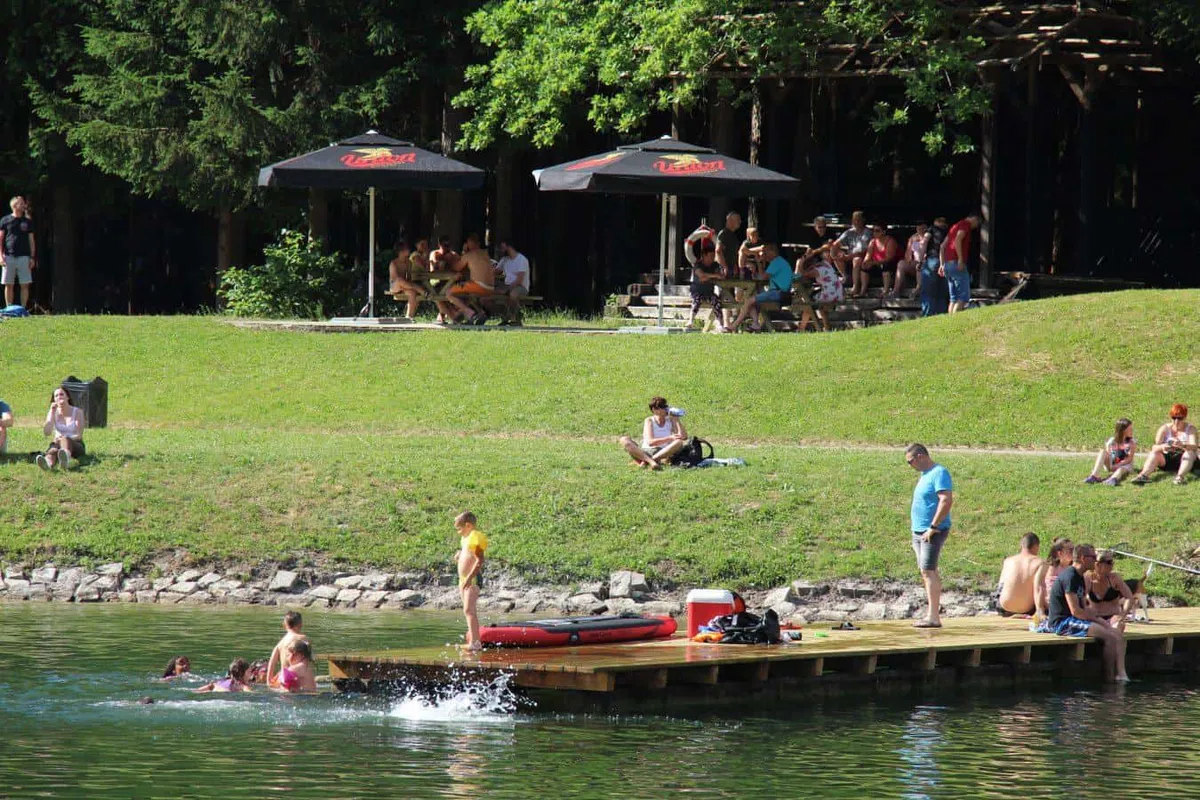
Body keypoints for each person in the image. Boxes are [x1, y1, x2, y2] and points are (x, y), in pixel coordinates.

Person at [1038, 543, 1129, 682]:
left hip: (1075, 619)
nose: (1095, 560)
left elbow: (1084, 608)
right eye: (1093, 557)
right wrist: (1101, 623)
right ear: (1082, 558)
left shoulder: (1079, 576)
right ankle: (1109, 680)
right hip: (1063, 622)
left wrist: (1103, 622)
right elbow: (1075, 611)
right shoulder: (1070, 576)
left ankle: (1119, 675)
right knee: (1109, 637)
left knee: (1115, 633)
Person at [905, 444, 953, 628]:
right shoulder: (925, 475)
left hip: (932, 531)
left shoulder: (939, 472)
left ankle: (933, 617)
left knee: (928, 571)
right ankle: (931, 614)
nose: (910, 466)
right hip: (919, 531)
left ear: (920, 456)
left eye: (910, 462)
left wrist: (933, 527)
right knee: (926, 571)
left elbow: (946, 500)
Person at [726, 242, 793, 333]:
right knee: (749, 301)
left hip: (778, 293)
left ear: (772, 252)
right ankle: (755, 324)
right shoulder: (780, 261)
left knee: (749, 300)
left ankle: (734, 325)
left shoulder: (776, 262)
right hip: (782, 293)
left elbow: (762, 277)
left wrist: (758, 262)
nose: (764, 255)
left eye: (766, 253)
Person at [1132, 403, 1197, 485]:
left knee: (1190, 453)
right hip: (1167, 459)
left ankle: (1179, 477)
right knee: (1154, 454)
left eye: (1180, 418)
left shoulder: (1191, 429)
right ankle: (1143, 475)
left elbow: (1194, 447)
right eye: (1174, 418)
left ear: (1185, 418)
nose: (1176, 421)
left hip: (1185, 459)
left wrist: (1182, 445)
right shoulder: (1164, 429)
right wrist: (1163, 447)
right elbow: (1154, 447)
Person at [619, 396, 688, 469]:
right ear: (654, 410)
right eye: (662, 407)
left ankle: (647, 462)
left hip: (663, 451)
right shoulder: (649, 420)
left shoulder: (670, 420)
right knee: (624, 439)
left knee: (679, 442)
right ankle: (651, 461)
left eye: (665, 406)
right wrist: (670, 438)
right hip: (646, 450)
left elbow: (683, 436)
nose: (665, 409)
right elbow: (650, 442)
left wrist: (677, 420)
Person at [440, 234, 494, 325]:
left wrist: (462, 253)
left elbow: (457, 267)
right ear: (479, 243)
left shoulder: (469, 255)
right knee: (468, 294)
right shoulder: (485, 253)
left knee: (449, 293)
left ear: (468, 244)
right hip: (491, 288)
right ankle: (481, 313)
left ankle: (470, 313)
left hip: (478, 286)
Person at [455, 510, 488, 652]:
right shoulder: (465, 539)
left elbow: (479, 560)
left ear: (468, 525)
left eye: (459, 528)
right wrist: (460, 555)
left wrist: (469, 578)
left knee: (469, 609)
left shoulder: (475, 537)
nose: (458, 532)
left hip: (472, 578)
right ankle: (474, 641)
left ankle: (475, 643)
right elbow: (467, 555)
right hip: (464, 579)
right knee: (467, 610)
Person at [939, 214, 980, 314]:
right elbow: (958, 239)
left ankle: (950, 324)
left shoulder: (954, 227)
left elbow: (942, 246)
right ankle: (956, 322)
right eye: (977, 223)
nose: (976, 227)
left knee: (953, 298)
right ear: (974, 219)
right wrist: (961, 259)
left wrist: (942, 264)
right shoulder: (965, 225)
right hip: (956, 264)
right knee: (963, 297)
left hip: (947, 265)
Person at [0, 196, 36, 308]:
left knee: (25, 284)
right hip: (8, 256)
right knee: (8, 284)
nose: (23, 205)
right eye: (21, 203)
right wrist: (0, 256)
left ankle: (23, 309)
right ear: (15, 206)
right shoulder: (5, 220)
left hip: (24, 257)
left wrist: (32, 257)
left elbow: (31, 240)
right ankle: (9, 308)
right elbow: (1, 238)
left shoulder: (27, 222)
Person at [1085, 550, 1136, 628]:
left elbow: (1129, 597)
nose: (1112, 564)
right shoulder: (1088, 578)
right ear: (1097, 564)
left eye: (1112, 561)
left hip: (1113, 617)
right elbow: (1079, 598)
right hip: (1095, 618)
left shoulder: (1115, 578)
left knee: (1118, 625)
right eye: (1109, 562)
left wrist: (1122, 615)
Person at [37, 386, 85, 470]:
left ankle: (65, 457)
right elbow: (47, 432)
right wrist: (52, 411)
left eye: (61, 394)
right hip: (57, 443)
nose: (59, 397)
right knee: (53, 450)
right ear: (54, 400)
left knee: (65, 439)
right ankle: (48, 464)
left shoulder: (77, 412)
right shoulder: (53, 412)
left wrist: (64, 438)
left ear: (68, 397)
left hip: (76, 444)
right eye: (56, 396)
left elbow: (79, 435)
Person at [795, 252, 843, 332]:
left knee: (808, 303)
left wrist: (799, 263)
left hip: (831, 295)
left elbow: (799, 276)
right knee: (819, 305)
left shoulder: (817, 270)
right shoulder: (826, 264)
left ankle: (801, 328)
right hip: (838, 293)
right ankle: (827, 327)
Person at [996, 533, 1041, 616]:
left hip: (1004, 607)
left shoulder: (1008, 561)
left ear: (1021, 545)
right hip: (1027, 609)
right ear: (1036, 546)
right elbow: (1039, 588)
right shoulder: (1040, 563)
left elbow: (1000, 585)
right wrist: (1039, 611)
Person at [1084, 418, 1136, 485]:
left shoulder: (1131, 442)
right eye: (1130, 429)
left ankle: (1113, 479)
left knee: (1121, 469)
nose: (1132, 431)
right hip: (1112, 465)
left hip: (1124, 466)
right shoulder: (1112, 441)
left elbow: (1129, 458)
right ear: (1122, 430)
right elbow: (1108, 454)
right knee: (1102, 451)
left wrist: (1118, 465)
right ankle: (1094, 476)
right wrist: (1112, 465)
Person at [853, 224, 899, 298]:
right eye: (873, 231)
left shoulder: (890, 241)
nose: (874, 233)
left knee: (885, 267)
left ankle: (885, 291)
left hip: (888, 263)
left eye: (877, 231)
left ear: (883, 232)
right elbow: (868, 255)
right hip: (875, 263)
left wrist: (873, 263)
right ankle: (862, 291)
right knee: (864, 268)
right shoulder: (873, 241)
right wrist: (865, 262)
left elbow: (888, 258)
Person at [685, 248, 726, 331]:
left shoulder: (715, 265)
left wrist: (719, 273)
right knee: (697, 300)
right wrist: (714, 275)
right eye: (710, 256)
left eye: (713, 256)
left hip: (709, 292)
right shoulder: (698, 265)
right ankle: (690, 321)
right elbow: (702, 276)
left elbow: (721, 275)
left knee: (717, 301)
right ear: (704, 256)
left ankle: (720, 324)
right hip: (697, 292)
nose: (712, 257)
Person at [1034, 537, 1074, 620]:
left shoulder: (1073, 567)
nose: (1073, 552)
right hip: (1054, 606)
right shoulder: (1050, 567)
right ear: (1060, 553)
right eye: (1070, 550)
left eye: (1074, 549)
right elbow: (1043, 588)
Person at [265, 610, 307, 689]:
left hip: (283, 681)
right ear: (301, 624)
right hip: (296, 683)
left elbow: (272, 661)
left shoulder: (280, 643)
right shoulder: (302, 638)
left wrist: (268, 680)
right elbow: (310, 658)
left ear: (284, 625)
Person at [387, 241, 427, 320]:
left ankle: (409, 317)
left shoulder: (409, 262)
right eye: (407, 249)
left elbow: (408, 278)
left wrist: (407, 286)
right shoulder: (394, 263)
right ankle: (421, 290)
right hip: (395, 286)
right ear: (401, 252)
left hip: (405, 285)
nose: (409, 250)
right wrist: (406, 285)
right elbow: (395, 279)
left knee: (412, 292)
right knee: (399, 279)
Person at [495, 239, 530, 326]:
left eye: (503, 248)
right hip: (507, 285)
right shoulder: (504, 260)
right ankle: (505, 317)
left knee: (513, 294)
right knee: (488, 295)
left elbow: (519, 280)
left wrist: (507, 289)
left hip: (520, 287)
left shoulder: (522, 259)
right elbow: (495, 272)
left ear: (509, 247)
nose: (501, 250)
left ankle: (516, 318)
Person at [892, 222, 931, 298]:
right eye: (918, 227)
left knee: (919, 264)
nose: (919, 229)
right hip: (914, 263)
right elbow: (907, 255)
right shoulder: (913, 238)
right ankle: (896, 290)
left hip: (926, 263)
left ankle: (918, 288)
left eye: (922, 227)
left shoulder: (929, 237)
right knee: (901, 263)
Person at [831, 210, 871, 282]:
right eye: (854, 220)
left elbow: (862, 251)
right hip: (850, 255)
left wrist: (848, 256)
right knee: (836, 255)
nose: (856, 222)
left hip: (863, 256)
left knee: (857, 260)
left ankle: (855, 287)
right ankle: (845, 277)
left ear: (863, 220)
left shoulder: (867, 233)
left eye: (858, 220)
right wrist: (836, 252)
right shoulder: (849, 232)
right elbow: (836, 243)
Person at [922, 217, 950, 316]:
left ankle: (928, 315)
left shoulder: (931, 229)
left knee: (928, 290)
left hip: (932, 260)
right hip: (946, 262)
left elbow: (924, 242)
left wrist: (920, 260)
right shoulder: (949, 231)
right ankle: (941, 314)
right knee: (942, 291)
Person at [715, 211, 743, 279]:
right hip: (723, 269)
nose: (740, 221)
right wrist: (724, 266)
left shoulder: (733, 235)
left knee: (730, 288)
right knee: (723, 288)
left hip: (730, 269)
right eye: (738, 219)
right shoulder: (724, 233)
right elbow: (718, 250)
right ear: (730, 220)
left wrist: (734, 265)